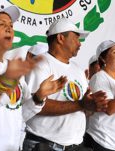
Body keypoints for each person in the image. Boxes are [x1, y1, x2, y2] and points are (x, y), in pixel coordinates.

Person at [0, 6, 66, 151]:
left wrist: (39, 97)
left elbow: (19, 114)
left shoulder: (12, 67)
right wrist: (5, 82)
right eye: (2, 24)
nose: (9, 29)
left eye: (11, 26)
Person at [23, 18, 108, 151]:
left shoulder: (78, 70)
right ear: (61, 38)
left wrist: (92, 105)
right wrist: (81, 105)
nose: (79, 44)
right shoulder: (41, 64)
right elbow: (34, 105)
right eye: (76, 39)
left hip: (75, 146)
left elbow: (84, 107)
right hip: (45, 145)